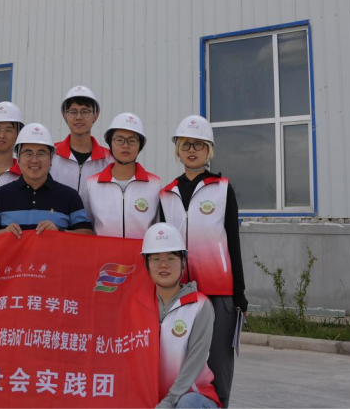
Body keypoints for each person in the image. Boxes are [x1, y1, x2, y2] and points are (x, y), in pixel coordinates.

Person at [159, 115, 246, 409]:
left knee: (218, 359)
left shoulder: (222, 188)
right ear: (177, 150)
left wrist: (239, 293)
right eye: (186, 145)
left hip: (218, 289)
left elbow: (233, 241)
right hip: (179, 290)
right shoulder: (166, 194)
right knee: (178, 356)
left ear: (209, 150)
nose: (192, 150)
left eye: (199, 144)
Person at [143, 222, 221, 409]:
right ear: (147, 265)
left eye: (171, 258)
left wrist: (169, 401)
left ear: (183, 262)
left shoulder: (199, 305)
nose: (163, 265)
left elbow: (195, 362)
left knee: (187, 403)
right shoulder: (138, 305)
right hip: (153, 399)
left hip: (194, 398)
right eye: (155, 259)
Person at [0, 123, 93, 237]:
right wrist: (4, 233)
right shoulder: (0, 195)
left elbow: (87, 234)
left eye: (41, 154)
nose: (34, 160)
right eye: (28, 153)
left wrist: (60, 231)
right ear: (18, 158)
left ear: (51, 158)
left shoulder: (69, 196)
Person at [82, 112, 163, 238]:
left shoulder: (154, 184)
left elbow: (158, 228)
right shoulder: (92, 184)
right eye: (119, 140)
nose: (125, 145)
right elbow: (87, 227)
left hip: (142, 251)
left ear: (140, 145)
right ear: (110, 143)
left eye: (132, 140)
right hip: (104, 251)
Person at [51, 85, 113, 192]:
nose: (79, 117)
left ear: (95, 116)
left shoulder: (109, 160)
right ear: (65, 116)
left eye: (85, 111)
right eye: (73, 112)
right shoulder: (50, 154)